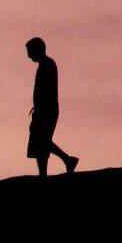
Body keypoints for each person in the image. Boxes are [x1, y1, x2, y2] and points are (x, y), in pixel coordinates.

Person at [25, 37, 79, 176]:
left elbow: (46, 90)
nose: (28, 55)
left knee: (41, 140)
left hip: (47, 110)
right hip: (44, 109)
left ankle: (66, 160)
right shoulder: (45, 64)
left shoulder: (48, 65)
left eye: (30, 51)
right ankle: (58, 165)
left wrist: (40, 108)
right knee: (40, 141)